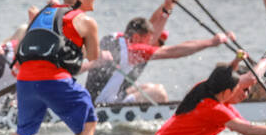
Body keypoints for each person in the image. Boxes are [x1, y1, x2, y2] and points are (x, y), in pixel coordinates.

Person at [9, 0, 110, 135]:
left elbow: (20, 48)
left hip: (24, 81)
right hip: (54, 81)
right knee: (87, 122)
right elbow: (93, 56)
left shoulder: (45, 13)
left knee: (25, 131)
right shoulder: (86, 21)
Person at [153, 54, 266, 135]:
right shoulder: (215, 109)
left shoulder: (204, 87)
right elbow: (249, 129)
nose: (245, 94)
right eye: (239, 89)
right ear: (226, 92)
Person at [85, 16, 231, 104]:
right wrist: (211, 42)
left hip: (93, 96)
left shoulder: (114, 36)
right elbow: (172, 52)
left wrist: (167, 8)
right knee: (159, 93)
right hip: (103, 104)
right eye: (147, 42)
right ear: (136, 38)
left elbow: (153, 22)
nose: (150, 46)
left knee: (148, 87)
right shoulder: (134, 50)